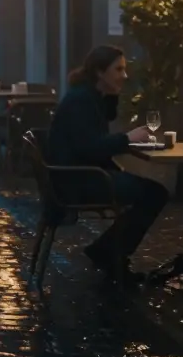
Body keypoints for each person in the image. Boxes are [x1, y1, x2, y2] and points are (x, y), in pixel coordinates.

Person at [47, 45, 163, 283]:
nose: (125, 75)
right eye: (118, 69)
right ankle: (109, 253)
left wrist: (112, 94)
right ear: (100, 72)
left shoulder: (90, 96)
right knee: (155, 193)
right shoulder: (81, 100)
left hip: (83, 175)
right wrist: (128, 139)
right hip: (78, 181)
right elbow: (89, 146)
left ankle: (107, 251)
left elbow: (96, 135)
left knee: (153, 192)